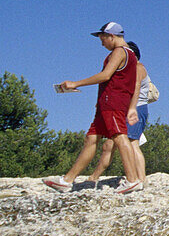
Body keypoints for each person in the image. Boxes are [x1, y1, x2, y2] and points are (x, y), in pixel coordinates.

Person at [43, 23, 143, 194]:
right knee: (91, 138)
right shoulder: (131, 55)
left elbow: (105, 75)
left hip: (113, 101)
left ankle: (133, 180)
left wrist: (76, 83)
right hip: (107, 103)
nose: (101, 43)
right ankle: (67, 181)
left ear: (111, 36)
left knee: (119, 136)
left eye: (102, 38)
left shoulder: (120, 52)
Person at [87, 41, 152, 185]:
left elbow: (134, 89)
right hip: (124, 109)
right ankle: (94, 176)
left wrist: (131, 108)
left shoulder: (137, 67)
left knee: (132, 142)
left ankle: (141, 179)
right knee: (109, 145)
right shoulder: (129, 70)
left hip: (136, 108)